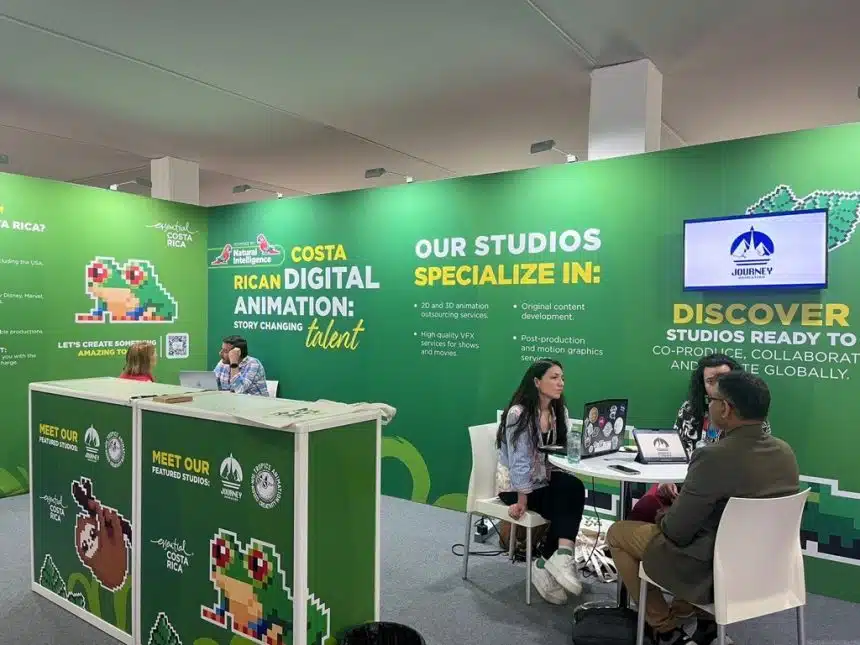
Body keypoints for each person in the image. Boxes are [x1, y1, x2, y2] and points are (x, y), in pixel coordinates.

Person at [607, 371, 799, 644]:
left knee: (618, 533)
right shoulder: (785, 452)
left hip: (711, 567)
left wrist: (665, 512)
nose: (709, 406)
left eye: (712, 400)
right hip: (767, 568)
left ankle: (665, 629)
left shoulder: (713, 456)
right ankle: (702, 622)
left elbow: (676, 531)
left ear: (726, 408)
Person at [495, 358, 587, 605]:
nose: (560, 383)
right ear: (537, 382)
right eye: (554, 378)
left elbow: (559, 453)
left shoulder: (559, 412)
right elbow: (519, 461)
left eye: (562, 378)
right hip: (515, 486)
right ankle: (547, 561)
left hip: (543, 480)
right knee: (564, 501)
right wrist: (522, 500)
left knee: (574, 487)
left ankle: (559, 557)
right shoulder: (519, 414)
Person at [629, 353, 756, 523]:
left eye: (723, 379)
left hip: (722, 493)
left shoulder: (750, 415)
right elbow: (673, 452)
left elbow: (752, 465)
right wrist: (667, 481)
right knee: (644, 508)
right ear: (702, 385)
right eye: (710, 381)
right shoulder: (690, 410)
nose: (717, 386)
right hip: (683, 482)